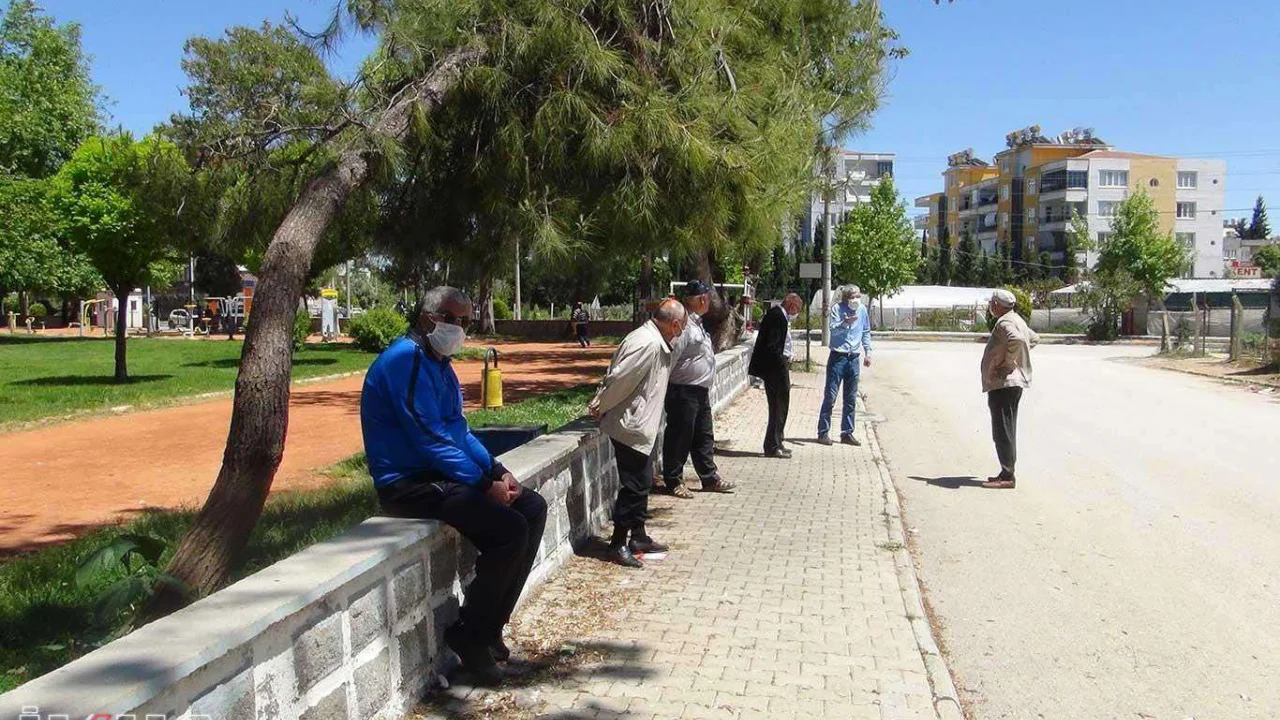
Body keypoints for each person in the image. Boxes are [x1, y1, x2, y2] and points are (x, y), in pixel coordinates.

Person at [360, 286, 548, 686]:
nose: (462, 328)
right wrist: (483, 485)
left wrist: (497, 471)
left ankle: (490, 625)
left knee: (532, 508)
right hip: (408, 483)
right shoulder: (403, 362)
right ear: (430, 319)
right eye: (455, 319)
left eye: (467, 320)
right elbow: (429, 439)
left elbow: (458, 432)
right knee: (509, 529)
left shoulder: (439, 363)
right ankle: (469, 635)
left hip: (438, 475)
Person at [589, 298, 687, 567]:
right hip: (631, 424)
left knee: (642, 481)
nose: (680, 334)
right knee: (634, 485)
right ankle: (618, 544)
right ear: (674, 324)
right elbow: (621, 379)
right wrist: (601, 403)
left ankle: (638, 535)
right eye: (681, 328)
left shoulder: (654, 340)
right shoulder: (647, 342)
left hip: (641, 423)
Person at [660, 281, 735, 499]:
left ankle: (709, 477)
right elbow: (670, 358)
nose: (710, 302)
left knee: (704, 436)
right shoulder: (683, 327)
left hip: (699, 391)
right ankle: (673, 479)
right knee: (680, 436)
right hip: (683, 391)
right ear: (702, 299)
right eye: (709, 298)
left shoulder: (698, 324)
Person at [980, 289, 1038, 490]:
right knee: (1007, 427)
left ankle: (1007, 475)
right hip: (1012, 383)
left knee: (1002, 429)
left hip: (1004, 384)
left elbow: (1019, 340)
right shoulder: (1016, 319)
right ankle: (1007, 471)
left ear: (997, 305)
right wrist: (1018, 359)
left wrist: (1007, 362)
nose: (990, 307)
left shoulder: (1005, 323)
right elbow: (1034, 338)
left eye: (991, 303)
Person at [749, 293, 802, 458]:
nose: (796, 313)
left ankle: (777, 440)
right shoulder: (777, 316)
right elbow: (773, 346)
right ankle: (773, 445)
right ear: (791, 304)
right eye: (797, 309)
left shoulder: (779, 315)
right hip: (775, 369)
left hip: (778, 366)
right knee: (778, 406)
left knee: (780, 406)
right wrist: (780, 365)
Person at [818, 285, 872, 447]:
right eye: (853, 297)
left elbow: (865, 331)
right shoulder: (837, 309)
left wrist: (868, 351)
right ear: (846, 298)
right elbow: (832, 330)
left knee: (850, 397)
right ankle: (823, 432)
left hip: (853, 357)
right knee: (831, 396)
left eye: (858, 296)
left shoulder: (862, 310)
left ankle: (847, 433)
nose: (856, 300)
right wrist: (845, 323)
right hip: (838, 357)